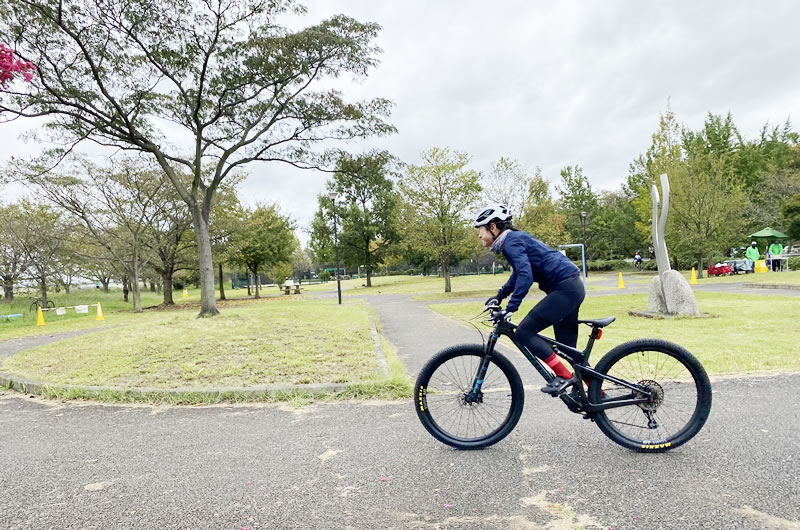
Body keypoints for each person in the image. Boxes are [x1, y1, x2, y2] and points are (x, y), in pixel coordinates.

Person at [475, 203, 585, 395]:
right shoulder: (513, 240)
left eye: (481, 230)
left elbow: (525, 275)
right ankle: (596, 395)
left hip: (565, 289)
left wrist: (510, 308)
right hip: (570, 287)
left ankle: (565, 377)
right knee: (567, 351)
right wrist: (499, 296)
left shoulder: (511, 242)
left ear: (493, 227)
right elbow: (519, 274)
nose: (479, 236)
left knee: (525, 332)